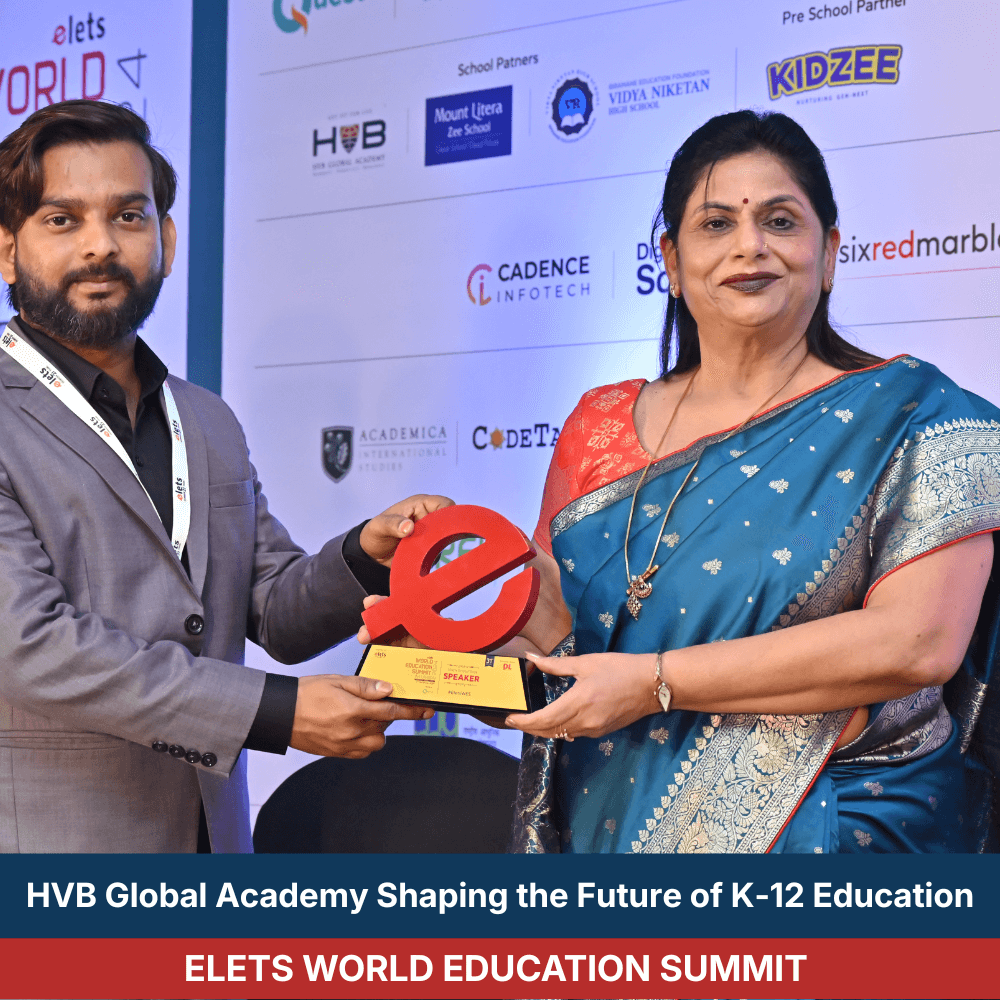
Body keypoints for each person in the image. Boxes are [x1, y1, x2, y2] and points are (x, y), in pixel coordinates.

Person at [503, 110, 1000, 854]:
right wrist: (441, 650)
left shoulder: (916, 415)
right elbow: (563, 647)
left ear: (828, 253)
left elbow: (918, 642)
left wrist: (654, 682)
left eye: (779, 220)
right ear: (671, 262)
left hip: (830, 841)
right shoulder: (596, 425)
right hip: (609, 822)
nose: (749, 246)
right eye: (716, 224)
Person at [0, 99, 442, 853]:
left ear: (167, 240)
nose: (100, 245)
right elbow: (29, 646)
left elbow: (273, 610)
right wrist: (273, 713)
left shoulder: (206, 420)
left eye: (128, 216)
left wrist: (368, 555)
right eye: (62, 220)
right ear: (8, 250)